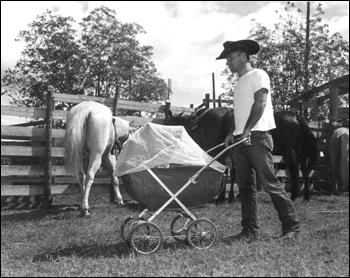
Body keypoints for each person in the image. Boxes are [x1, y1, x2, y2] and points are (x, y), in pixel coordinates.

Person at [216, 40, 300, 240]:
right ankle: (249, 230)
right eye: (227, 59)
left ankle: (292, 228)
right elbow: (240, 112)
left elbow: (261, 102)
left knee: (270, 182)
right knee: (245, 186)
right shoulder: (238, 83)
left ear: (243, 56)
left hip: (256, 136)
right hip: (240, 138)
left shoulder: (259, 75)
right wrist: (232, 132)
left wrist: (246, 130)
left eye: (231, 57)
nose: (228, 62)